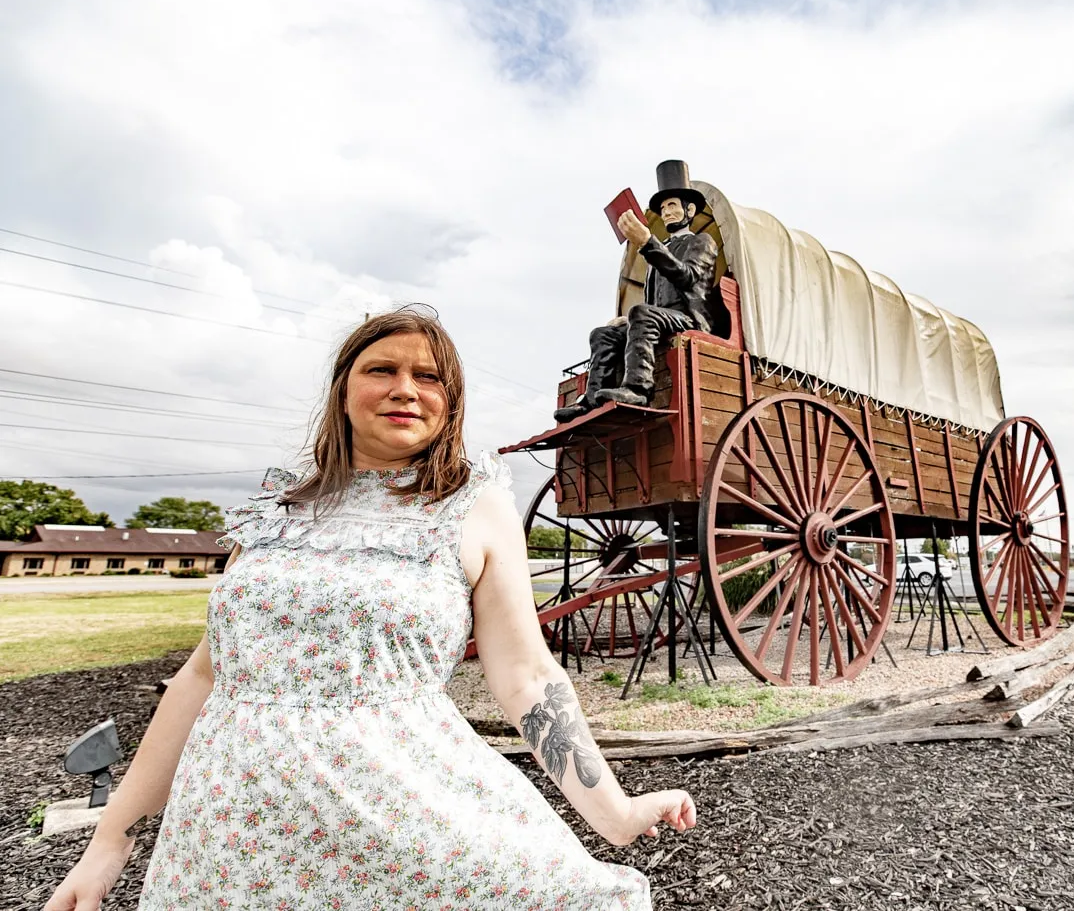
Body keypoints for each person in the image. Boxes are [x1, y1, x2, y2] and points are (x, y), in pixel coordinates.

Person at [46, 306, 695, 910]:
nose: (406, 388)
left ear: (452, 401)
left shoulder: (473, 506)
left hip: (396, 824)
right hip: (227, 840)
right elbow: (204, 676)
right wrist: (110, 840)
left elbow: (527, 677)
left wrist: (614, 812)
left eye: (429, 376)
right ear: (343, 389)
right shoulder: (279, 513)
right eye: (382, 369)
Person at [553, 160, 718, 424]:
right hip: (659, 318)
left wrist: (647, 242)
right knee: (603, 333)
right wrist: (629, 320)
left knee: (641, 312)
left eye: (672, 205)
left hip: (689, 319)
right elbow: (652, 300)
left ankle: (638, 389)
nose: (666, 212)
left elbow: (687, 277)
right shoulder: (658, 249)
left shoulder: (701, 242)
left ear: (690, 209)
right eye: (663, 208)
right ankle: (592, 399)